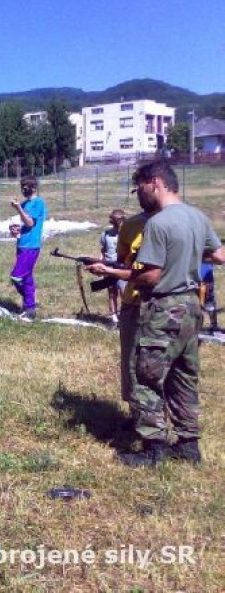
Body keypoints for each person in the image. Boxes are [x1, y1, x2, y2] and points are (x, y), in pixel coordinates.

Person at [112, 161, 224, 466]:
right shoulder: (197, 217)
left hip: (164, 308)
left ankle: (153, 448)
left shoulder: (158, 223)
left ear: (155, 182)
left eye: (140, 187)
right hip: (192, 306)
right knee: (183, 376)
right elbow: (219, 255)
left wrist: (120, 273)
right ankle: (188, 445)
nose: (139, 194)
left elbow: (150, 275)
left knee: (147, 375)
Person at [87, 206, 152, 418]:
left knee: (137, 362)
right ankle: (138, 414)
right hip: (141, 302)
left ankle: (143, 418)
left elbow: (134, 271)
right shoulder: (125, 229)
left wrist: (108, 270)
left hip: (140, 301)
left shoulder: (139, 226)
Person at [10, 176, 47, 321]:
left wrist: (18, 208)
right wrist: (16, 230)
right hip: (21, 244)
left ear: (34, 187)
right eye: (22, 187)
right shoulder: (25, 204)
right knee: (26, 277)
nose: (24, 190)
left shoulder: (39, 203)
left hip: (31, 246)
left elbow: (30, 223)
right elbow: (25, 225)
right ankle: (29, 308)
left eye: (26, 187)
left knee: (16, 276)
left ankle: (30, 303)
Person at [100, 209, 126, 325]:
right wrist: (101, 263)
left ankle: (125, 316)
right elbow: (103, 250)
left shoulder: (126, 234)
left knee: (124, 292)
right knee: (112, 292)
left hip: (122, 267)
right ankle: (114, 317)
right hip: (108, 267)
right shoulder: (106, 234)